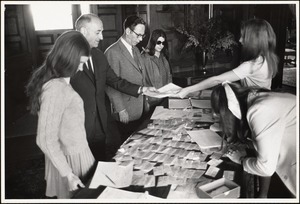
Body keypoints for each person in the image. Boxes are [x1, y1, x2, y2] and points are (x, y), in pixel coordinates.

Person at [70, 14, 156, 161]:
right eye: (98, 32)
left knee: (99, 165)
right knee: (81, 171)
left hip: (99, 125)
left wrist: (142, 89)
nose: (102, 37)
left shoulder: (98, 56)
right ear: (83, 31)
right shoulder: (67, 57)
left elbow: (115, 81)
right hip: (77, 127)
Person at [26, 31, 95, 198]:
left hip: (76, 151)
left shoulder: (61, 81)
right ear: (68, 59)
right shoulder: (56, 88)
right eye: (80, 63)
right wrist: (68, 174)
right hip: (70, 160)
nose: (81, 68)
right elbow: (44, 139)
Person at [211, 81, 296, 198]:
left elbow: (266, 168)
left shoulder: (259, 110)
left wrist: (240, 159)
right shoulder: (256, 98)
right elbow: (267, 141)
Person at [176, 18, 279, 98]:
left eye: (243, 36)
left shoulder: (252, 65)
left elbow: (216, 80)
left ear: (253, 40)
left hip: (255, 106)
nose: (239, 40)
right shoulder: (268, 58)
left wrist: (187, 90)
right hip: (265, 101)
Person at [104, 15, 148, 141]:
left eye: (142, 35)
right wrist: (121, 109)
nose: (140, 39)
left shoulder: (135, 49)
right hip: (126, 110)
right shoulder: (112, 52)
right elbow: (111, 85)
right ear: (128, 31)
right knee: (127, 147)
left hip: (139, 107)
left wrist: (146, 101)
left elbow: (141, 77)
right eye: (138, 35)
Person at [142, 29, 173, 108]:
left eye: (163, 43)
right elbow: (142, 80)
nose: (161, 45)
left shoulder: (164, 57)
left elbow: (169, 77)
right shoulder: (145, 58)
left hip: (165, 98)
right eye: (158, 42)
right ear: (153, 41)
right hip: (151, 100)